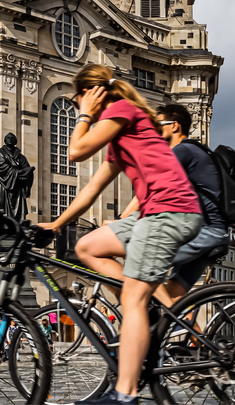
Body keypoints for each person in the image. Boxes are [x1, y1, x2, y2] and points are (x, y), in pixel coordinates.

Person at [38, 63, 202, 405]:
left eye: (78, 98)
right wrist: (56, 225)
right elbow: (92, 188)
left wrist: (83, 115)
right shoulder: (120, 134)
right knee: (88, 247)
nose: (77, 104)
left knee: (133, 300)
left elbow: (75, 151)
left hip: (170, 212)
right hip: (154, 215)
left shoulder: (122, 111)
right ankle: (141, 300)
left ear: (92, 94)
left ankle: (125, 394)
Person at [149, 103, 231, 301]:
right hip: (215, 234)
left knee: (145, 265)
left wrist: (124, 219)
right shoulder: (196, 150)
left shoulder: (182, 151)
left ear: (175, 126)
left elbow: (155, 189)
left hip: (206, 232)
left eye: (159, 125)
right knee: (173, 302)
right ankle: (187, 331)